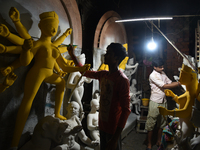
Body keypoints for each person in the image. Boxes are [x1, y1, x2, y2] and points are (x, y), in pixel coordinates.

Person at [9, 10, 90, 149]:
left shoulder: (54, 47)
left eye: (55, 26)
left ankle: (57, 112)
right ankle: (14, 144)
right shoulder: (38, 43)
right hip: (38, 72)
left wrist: (79, 69)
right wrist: (27, 50)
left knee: (62, 82)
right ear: (41, 26)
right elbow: (26, 61)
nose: (53, 29)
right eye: (50, 25)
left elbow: (64, 67)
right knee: (27, 102)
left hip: (49, 74)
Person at [67, 43, 131, 150]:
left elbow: (126, 110)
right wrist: (73, 56)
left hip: (113, 129)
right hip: (102, 125)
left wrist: (115, 139)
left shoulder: (122, 80)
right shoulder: (103, 74)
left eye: (109, 53)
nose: (105, 55)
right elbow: (84, 72)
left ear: (117, 58)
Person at [145, 57, 180, 150]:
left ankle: (159, 140)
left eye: (163, 66)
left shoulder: (162, 73)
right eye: (160, 67)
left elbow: (169, 82)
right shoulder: (153, 75)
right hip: (155, 102)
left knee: (162, 122)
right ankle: (149, 144)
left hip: (163, 100)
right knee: (151, 123)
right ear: (155, 67)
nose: (162, 68)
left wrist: (176, 82)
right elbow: (164, 86)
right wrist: (179, 83)